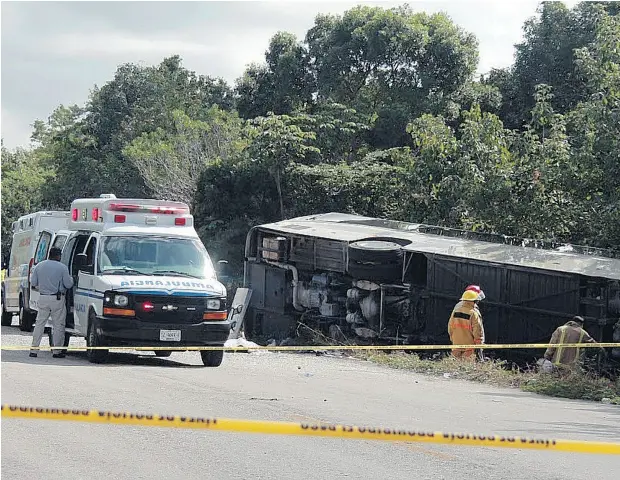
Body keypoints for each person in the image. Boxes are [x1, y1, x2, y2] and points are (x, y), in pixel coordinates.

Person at [30, 247, 74, 358]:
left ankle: (34, 350)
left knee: (39, 323)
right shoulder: (62, 268)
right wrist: (73, 279)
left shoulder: (39, 266)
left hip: (43, 297)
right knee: (58, 325)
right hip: (57, 299)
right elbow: (68, 284)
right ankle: (56, 351)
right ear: (58, 255)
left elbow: (33, 283)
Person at [448, 288, 485, 360]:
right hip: (469, 346)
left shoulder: (456, 310)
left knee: (455, 367)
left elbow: (450, 327)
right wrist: (479, 345)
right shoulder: (473, 313)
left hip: (456, 345)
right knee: (467, 368)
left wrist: (453, 339)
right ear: (474, 300)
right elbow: (478, 331)